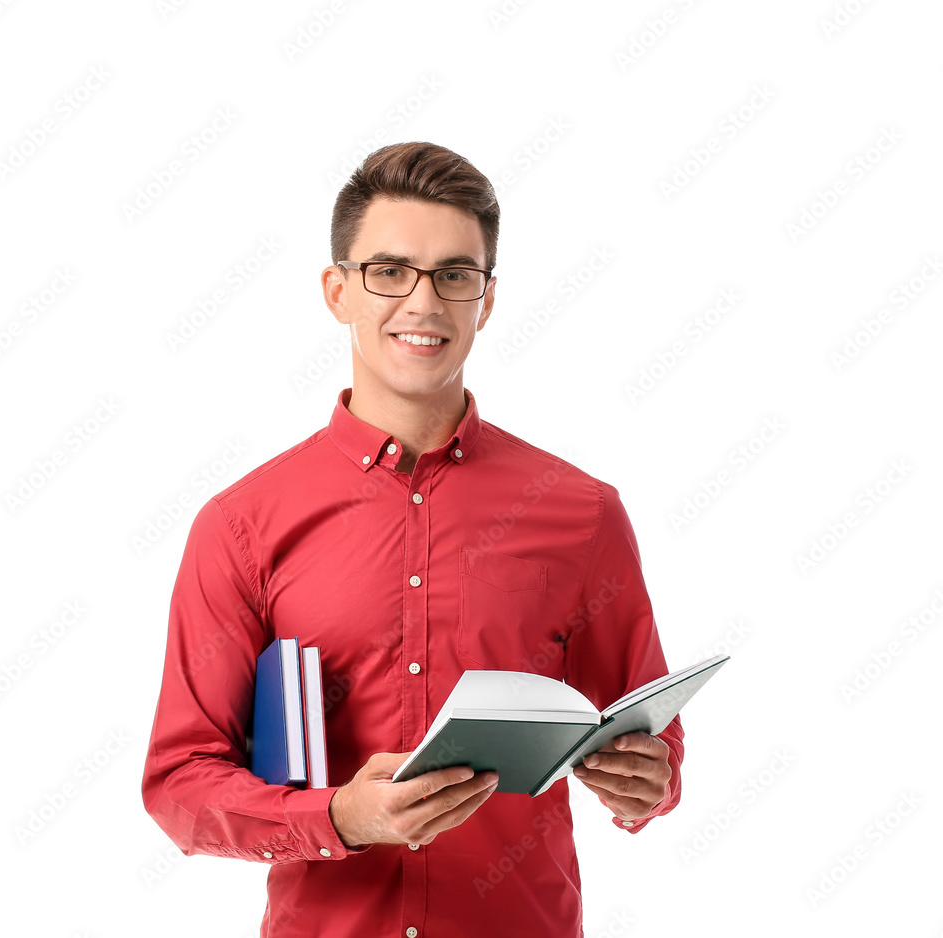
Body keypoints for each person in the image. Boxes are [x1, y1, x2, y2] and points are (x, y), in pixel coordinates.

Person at [141, 141, 683, 938]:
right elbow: (181, 787)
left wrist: (650, 783)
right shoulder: (242, 524)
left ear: (486, 299)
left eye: (454, 275)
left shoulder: (583, 512)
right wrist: (340, 818)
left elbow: (648, 735)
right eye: (389, 271)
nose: (422, 303)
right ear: (337, 291)